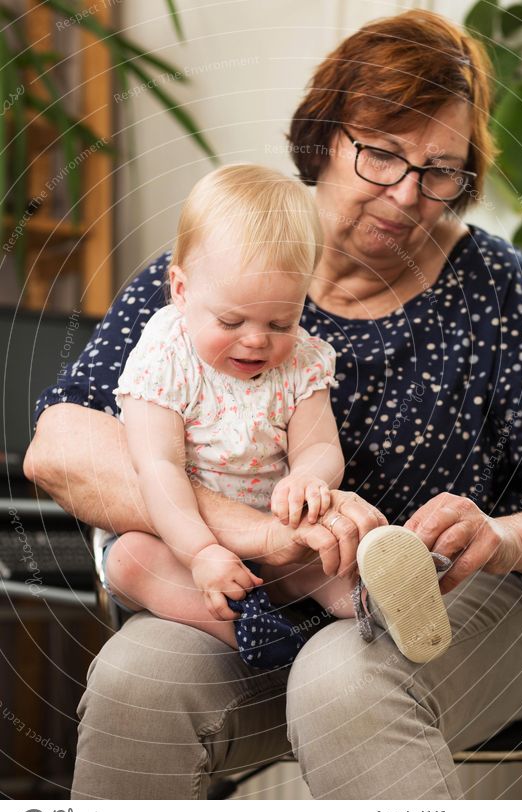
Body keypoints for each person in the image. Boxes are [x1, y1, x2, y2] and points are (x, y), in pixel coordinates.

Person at [25, 9, 522, 799]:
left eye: (440, 170)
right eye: (381, 154)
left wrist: (497, 536)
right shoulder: (220, 262)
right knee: (135, 677)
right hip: (251, 591)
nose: (407, 194)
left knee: (344, 677)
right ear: (326, 136)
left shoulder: (497, 292)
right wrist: (259, 533)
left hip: (456, 598)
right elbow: (59, 444)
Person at [103, 163, 348, 670]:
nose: (257, 339)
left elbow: (320, 445)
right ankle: (250, 629)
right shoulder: (166, 356)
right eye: (231, 321)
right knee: (130, 560)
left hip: (272, 536)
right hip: (178, 536)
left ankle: (377, 608)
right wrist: (200, 553)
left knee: (330, 554)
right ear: (181, 290)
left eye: (281, 321)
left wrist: (308, 478)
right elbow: (159, 468)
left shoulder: (301, 361)